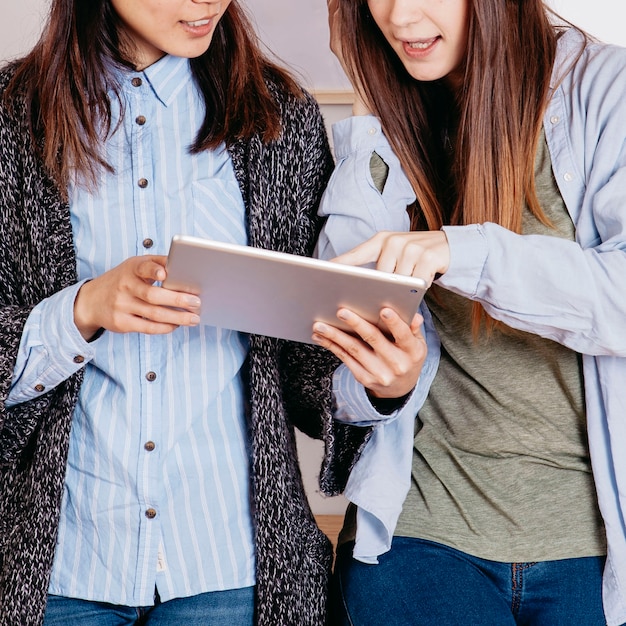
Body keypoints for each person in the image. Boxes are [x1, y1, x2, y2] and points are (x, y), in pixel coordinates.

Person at [0, 0, 353, 624]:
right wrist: (81, 309)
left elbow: (306, 371)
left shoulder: (281, 118)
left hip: (233, 568)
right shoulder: (11, 116)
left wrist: (377, 381)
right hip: (58, 565)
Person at [310, 0, 626, 624]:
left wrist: (463, 250)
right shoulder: (379, 138)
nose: (399, 17)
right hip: (423, 533)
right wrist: (385, 388)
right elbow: (327, 378)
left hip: (590, 549)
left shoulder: (606, 89)